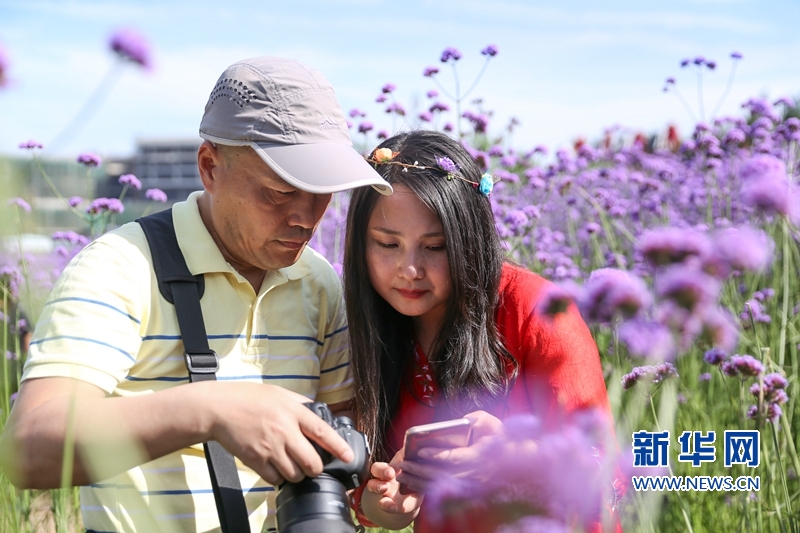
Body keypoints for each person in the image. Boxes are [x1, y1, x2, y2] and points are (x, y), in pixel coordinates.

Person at [0, 56, 392, 533]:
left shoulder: (317, 282)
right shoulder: (121, 266)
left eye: (323, 193)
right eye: (279, 192)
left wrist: (379, 492)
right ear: (210, 166)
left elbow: (343, 443)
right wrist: (211, 410)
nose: (307, 218)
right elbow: (27, 450)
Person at [343, 130, 616, 532]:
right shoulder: (374, 326)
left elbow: (605, 472)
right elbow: (372, 500)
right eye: (387, 244)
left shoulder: (537, 311)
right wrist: (387, 501)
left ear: (469, 240)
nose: (410, 269)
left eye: (434, 247)